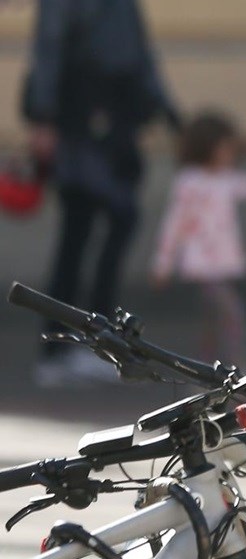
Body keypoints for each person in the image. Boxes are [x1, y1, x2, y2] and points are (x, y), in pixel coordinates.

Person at [22, 0, 179, 387]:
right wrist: (43, 118)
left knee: (114, 227)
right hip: (79, 123)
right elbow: (49, 48)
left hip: (117, 124)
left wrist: (169, 113)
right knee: (77, 237)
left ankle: (95, 344)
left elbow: (141, 55)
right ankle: (58, 351)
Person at [151, 113, 246, 369]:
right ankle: (236, 370)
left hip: (222, 263)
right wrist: (162, 263)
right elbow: (174, 224)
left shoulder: (225, 179)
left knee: (212, 323)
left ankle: (208, 373)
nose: (231, 155)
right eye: (226, 149)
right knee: (232, 315)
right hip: (202, 264)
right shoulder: (190, 182)